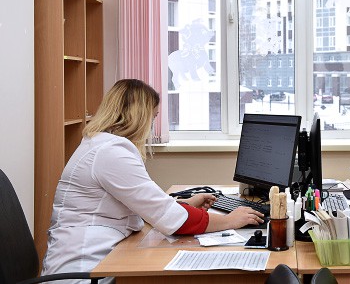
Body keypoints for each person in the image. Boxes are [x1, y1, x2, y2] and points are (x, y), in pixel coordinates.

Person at [41, 79, 264, 281]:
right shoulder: (111, 153)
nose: (152, 125)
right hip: (84, 270)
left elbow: (146, 206)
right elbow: (172, 220)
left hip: (101, 260)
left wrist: (182, 205)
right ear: (139, 116)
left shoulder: (100, 144)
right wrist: (231, 220)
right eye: (153, 116)